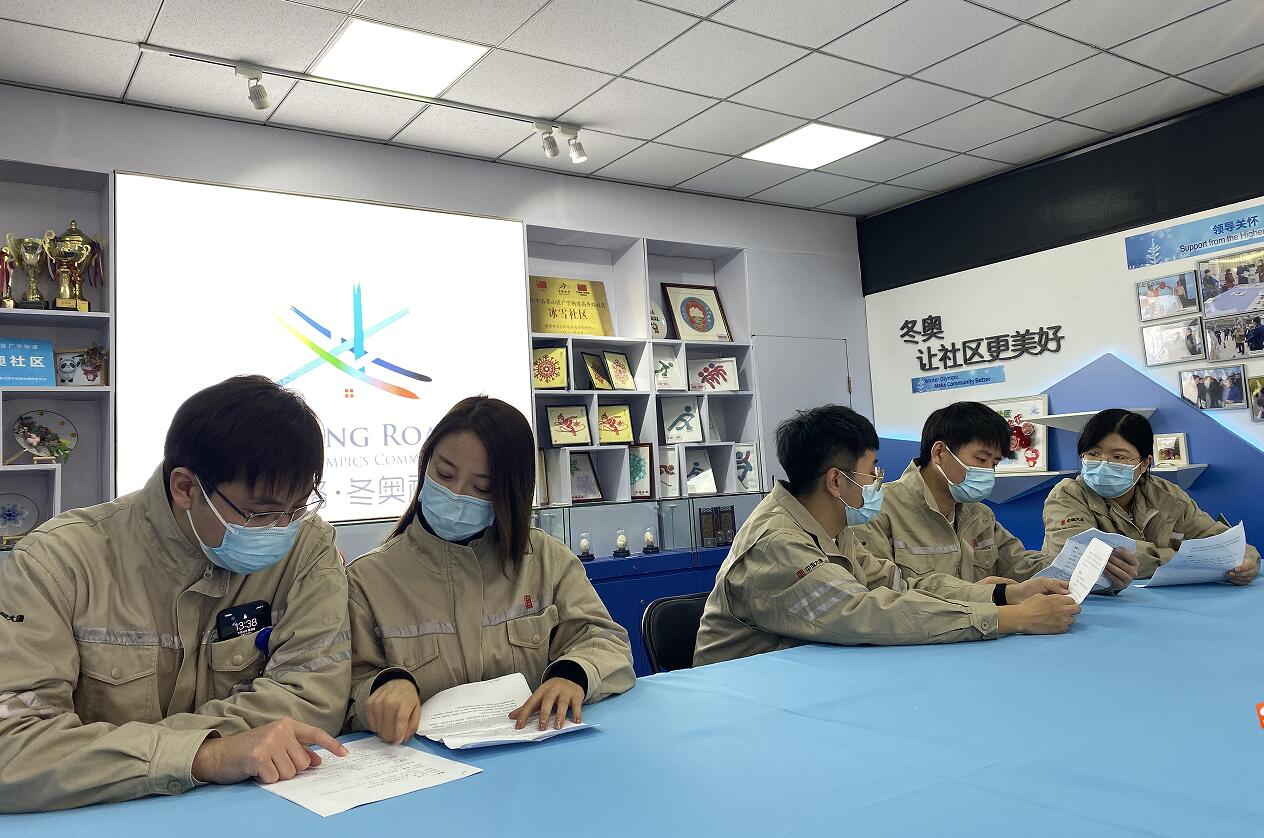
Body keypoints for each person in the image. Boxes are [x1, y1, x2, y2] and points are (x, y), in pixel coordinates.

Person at [0, 376, 350, 813]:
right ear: (186, 488)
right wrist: (203, 755)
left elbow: (313, 701)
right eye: (259, 513)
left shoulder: (308, 547)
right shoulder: (59, 562)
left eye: (296, 508)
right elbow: (13, 747)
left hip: (251, 811)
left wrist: (116, 756)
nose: (282, 529)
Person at [693, 405, 1079, 667]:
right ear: (836, 481)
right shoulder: (777, 542)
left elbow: (899, 584)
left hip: (808, 677)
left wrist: (1004, 595)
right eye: (872, 470)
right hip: (744, 697)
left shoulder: (833, 529)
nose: (878, 480)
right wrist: (1009, 618)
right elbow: (866, 613)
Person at [347, 397, 634, 744]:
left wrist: (573, 674)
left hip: (533, 754)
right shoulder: (368, 579)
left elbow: (606, 643)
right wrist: (383, 687)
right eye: (444, 474)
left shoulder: (546, 560)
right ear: (425, 465)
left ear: (510, 493)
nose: (456, 494)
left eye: (481, 488)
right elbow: (346, 691)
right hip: (424, 765)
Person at [855, 402, 1136, 589]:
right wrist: (987, 596)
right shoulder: (877, 509)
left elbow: (1022, 565)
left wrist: (1091, 571)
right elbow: (884, 592)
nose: (987, 471)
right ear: (939, 453)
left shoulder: (979, 515)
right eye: (981, 459)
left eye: (994, 463)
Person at [1043, 409, 1259, 584]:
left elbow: (1220, 539)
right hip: (1091, 604)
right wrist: (1181, 559)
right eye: (1093, 453)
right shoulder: (1066, 495)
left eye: (1119, 457)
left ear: (1144, 463)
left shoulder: (1167, 495)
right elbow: (1086, 559)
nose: (1103, 463)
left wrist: (1245, 560)